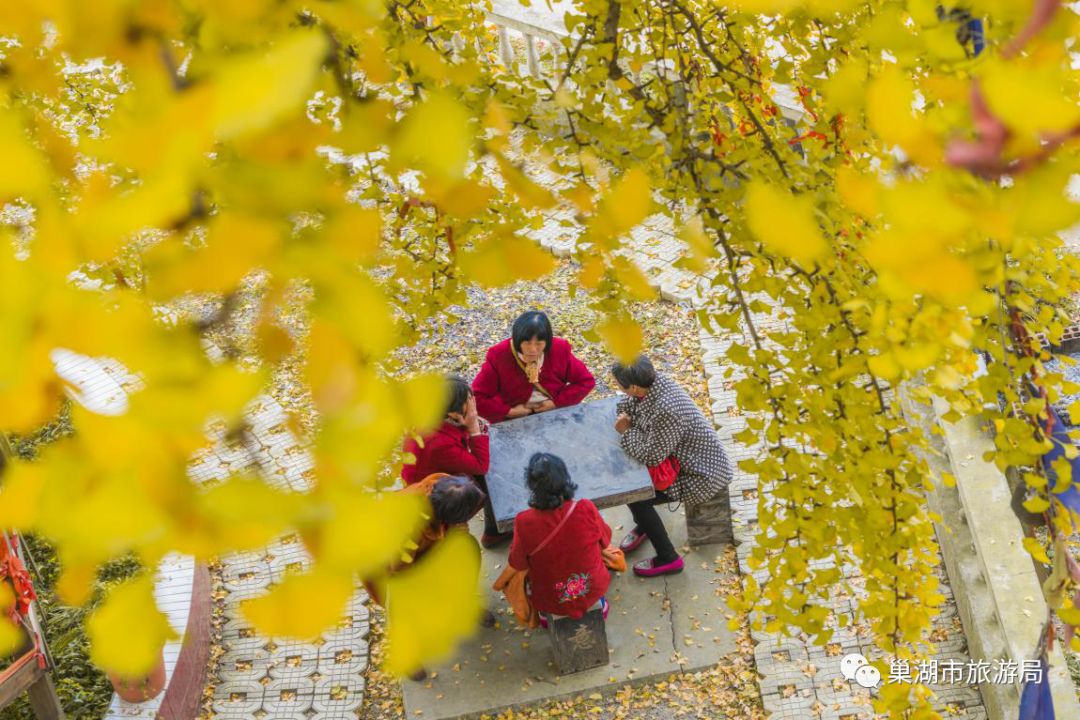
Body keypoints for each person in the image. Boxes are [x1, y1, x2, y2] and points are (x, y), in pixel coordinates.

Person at [612, 355, 734, 578]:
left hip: (699, 475)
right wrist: (626, 416)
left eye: (619, 384)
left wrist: (626, 432)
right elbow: (628, 404)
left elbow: (652, 456)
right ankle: (645, 527)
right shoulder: (655, 384)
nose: (617, 387)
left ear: (636, 387)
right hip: (683, 461)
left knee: (637, 497)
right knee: (634, 490)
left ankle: (669, 558)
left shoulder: (667, 410)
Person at [370, 473, 493, 681]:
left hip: (430, 546)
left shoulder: (444, 484)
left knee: (469, 548)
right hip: (399, 566)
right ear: (444, 517)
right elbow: (399, 569)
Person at [505, 453, 612, 623]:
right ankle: (599, 604)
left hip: (551, 601)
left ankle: (546, 617)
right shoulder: (585, 507)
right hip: (592, 591)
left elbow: (517, 562)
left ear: (531, 485)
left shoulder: (523, 521)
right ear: (564, 478)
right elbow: (606, 540)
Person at [472, 311, 596, 424]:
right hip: (514, 420)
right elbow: (477, 397)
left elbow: (585, 381)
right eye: (527, 343)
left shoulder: (559, 349)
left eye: (539, 343)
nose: (532, 349)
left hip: (554, 413)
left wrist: (555, 403)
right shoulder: (499, 355)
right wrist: (508, 412)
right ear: (517, 340)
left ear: (547, 342)